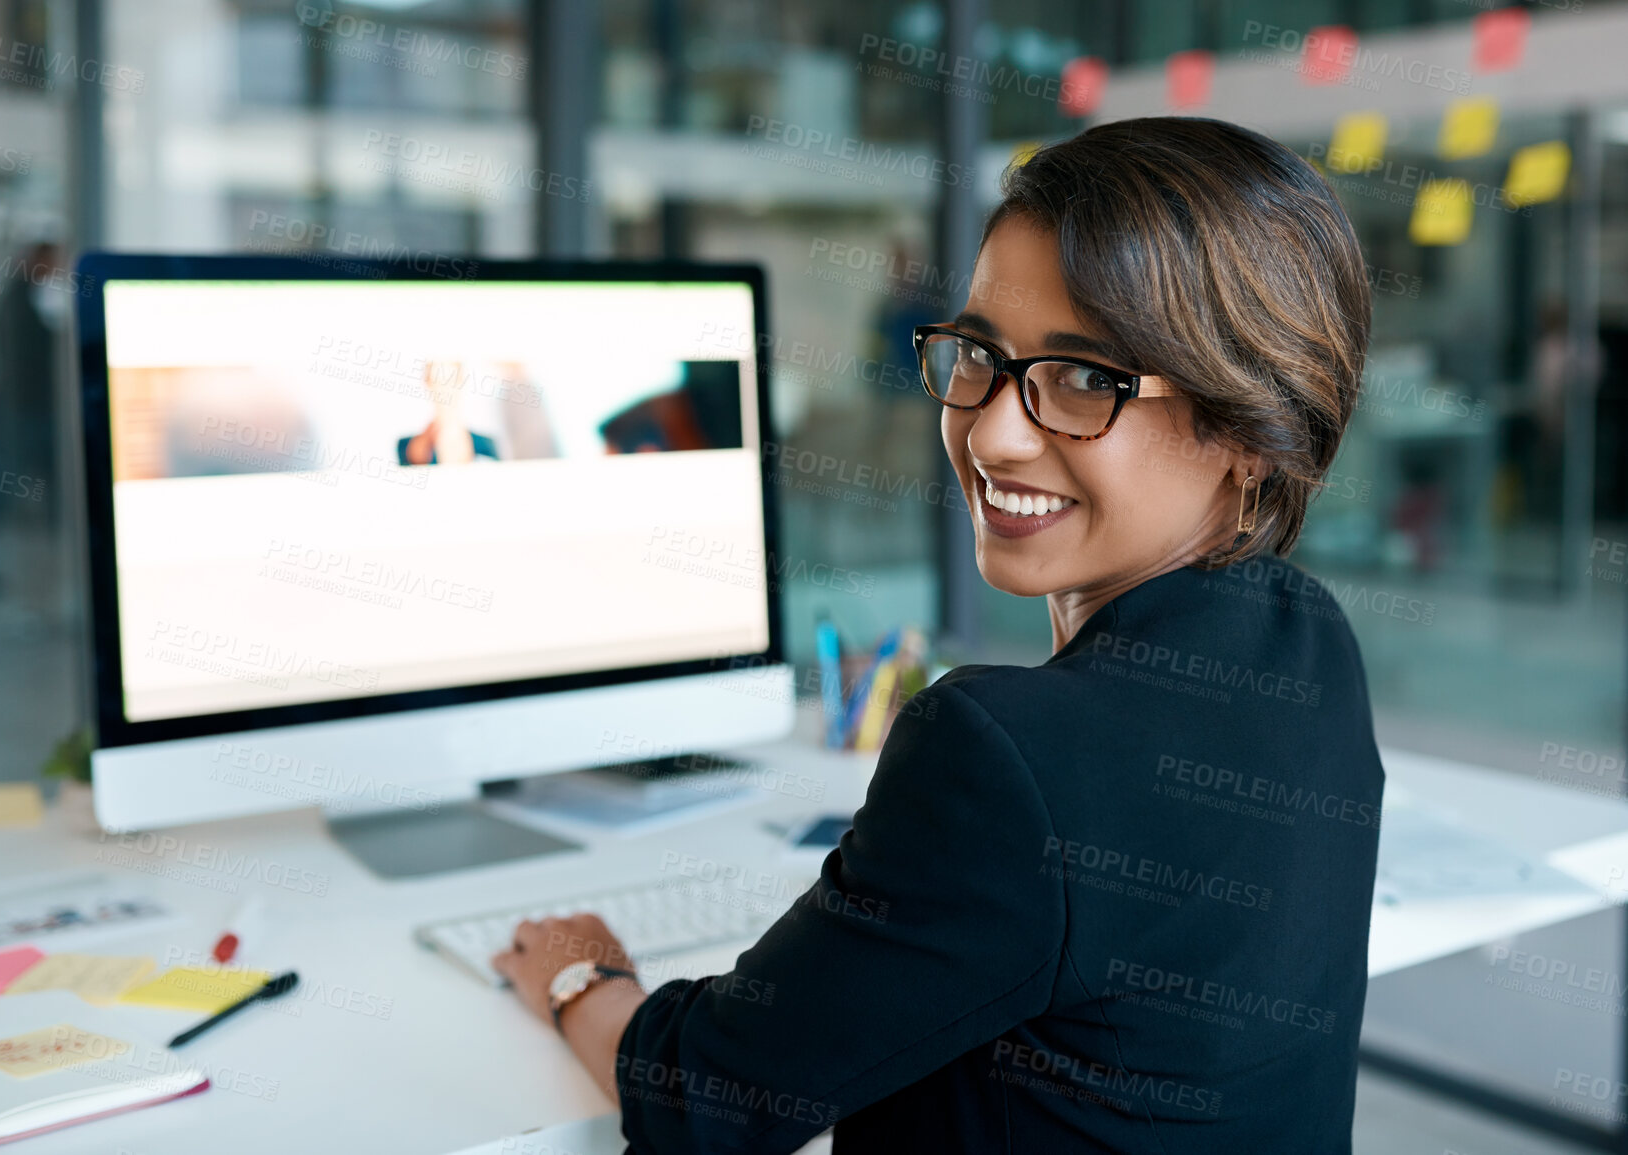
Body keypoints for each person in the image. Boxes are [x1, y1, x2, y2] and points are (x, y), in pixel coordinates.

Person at [491, 116, 1384, 1154]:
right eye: (980, 357)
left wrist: (579, 975)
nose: (993, 431)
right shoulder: (1307, 639)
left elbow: (704, 1101)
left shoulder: (1005, 753)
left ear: (1253, 429)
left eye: (1089, 379)